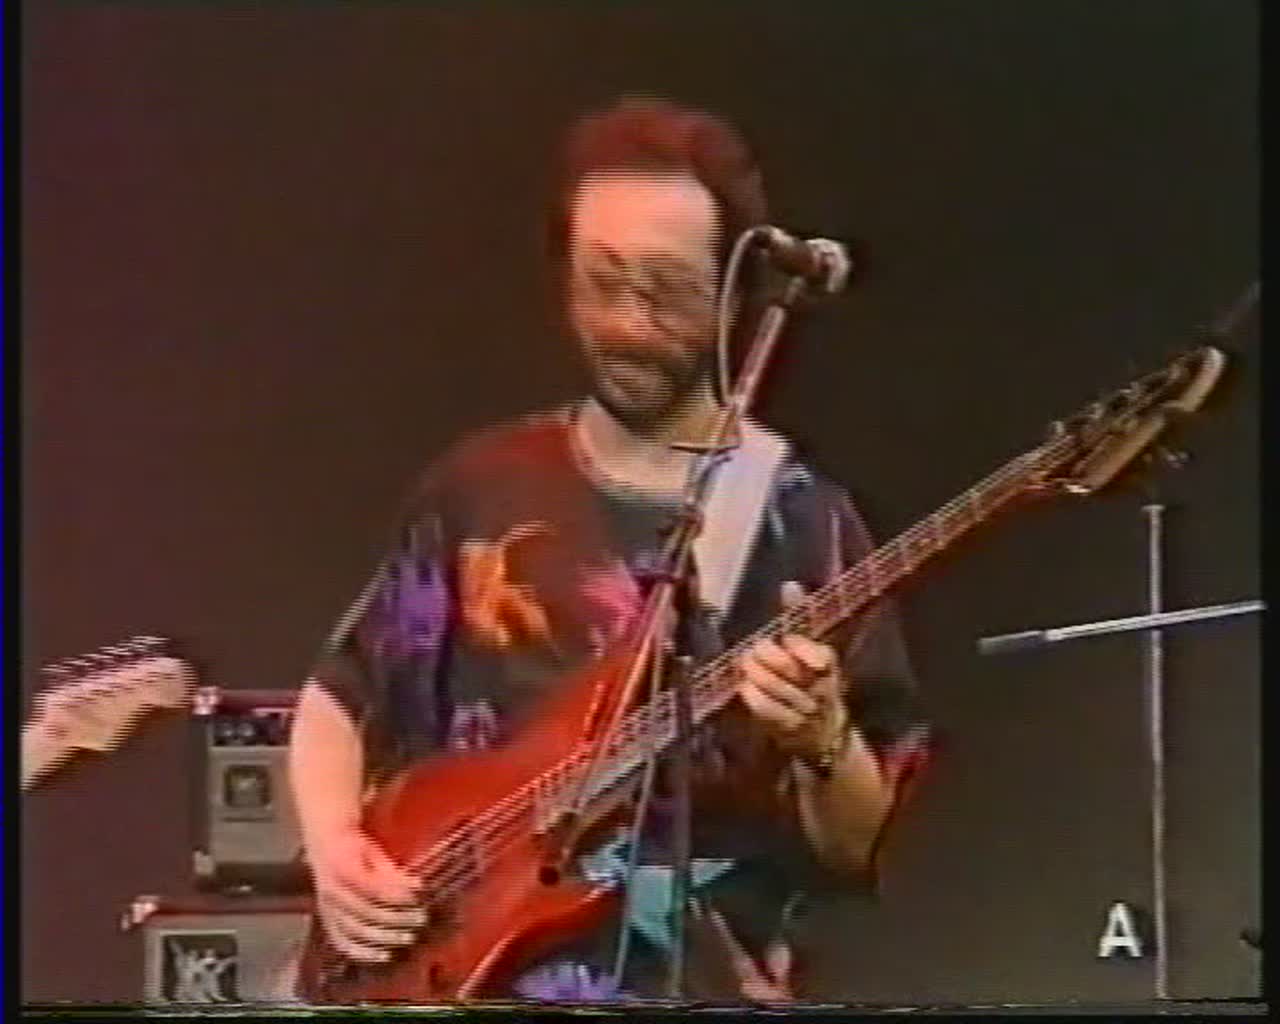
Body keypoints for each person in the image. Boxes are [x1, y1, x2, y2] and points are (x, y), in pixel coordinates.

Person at [287, 94, 931, 1002]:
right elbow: (336, 699)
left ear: (734, 294)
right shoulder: (479, 486)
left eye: (665, 290)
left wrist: (823, 736)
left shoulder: (804, 522)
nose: (627, 322)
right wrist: (335, 851)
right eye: (602, 282)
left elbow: (862, 847)